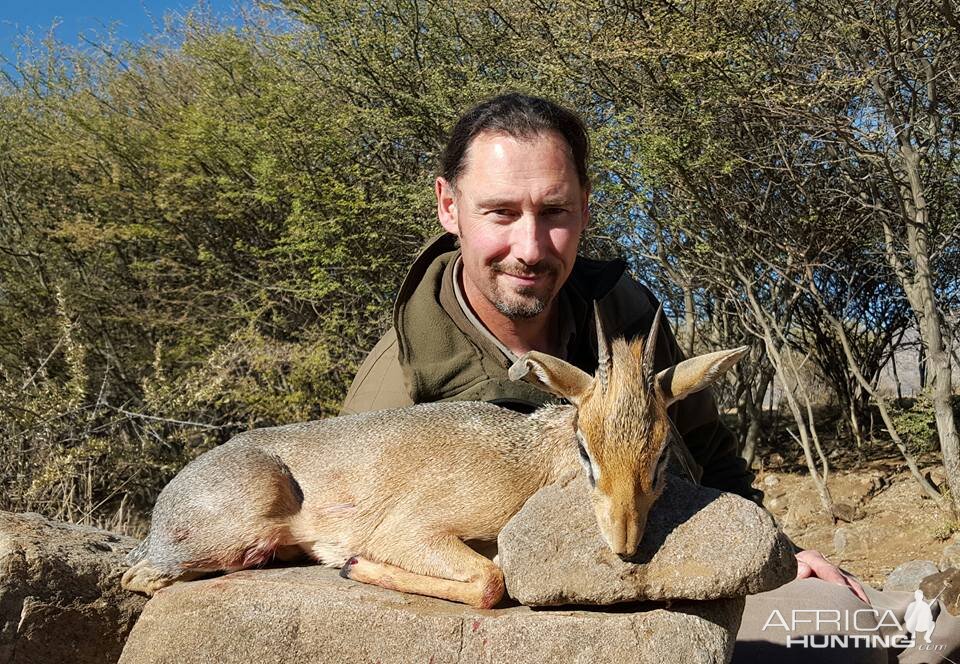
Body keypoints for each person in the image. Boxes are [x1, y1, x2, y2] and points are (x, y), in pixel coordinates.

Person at [340, 92, 959, 662]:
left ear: (584, 207)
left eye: (554, 211)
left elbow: (712, 455)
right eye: (499, 213)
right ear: (450, 208)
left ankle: (908, 621)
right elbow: (363, 566)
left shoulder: (627, 313)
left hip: (686, 571)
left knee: (871, 627)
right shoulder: (393, 389)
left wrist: (777, 551)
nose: (530, 246)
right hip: (533, 627)